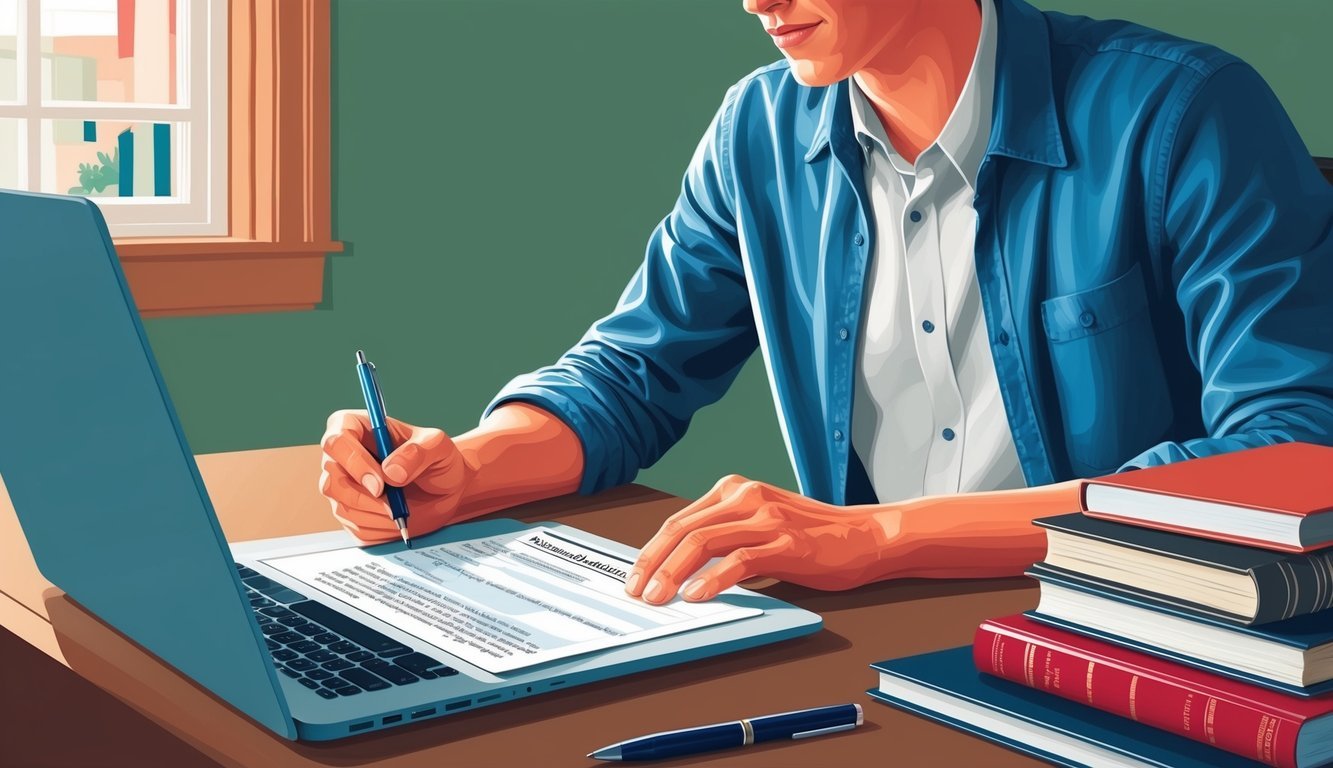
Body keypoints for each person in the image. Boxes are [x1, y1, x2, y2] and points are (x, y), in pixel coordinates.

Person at [319, 0, 1333, 606]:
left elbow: (1293, 455)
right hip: (877, 631)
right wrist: (466, 471)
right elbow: (633, 373)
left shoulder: (1183, 112)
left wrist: (881, 538)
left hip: (1127, 629)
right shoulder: (757, 129)